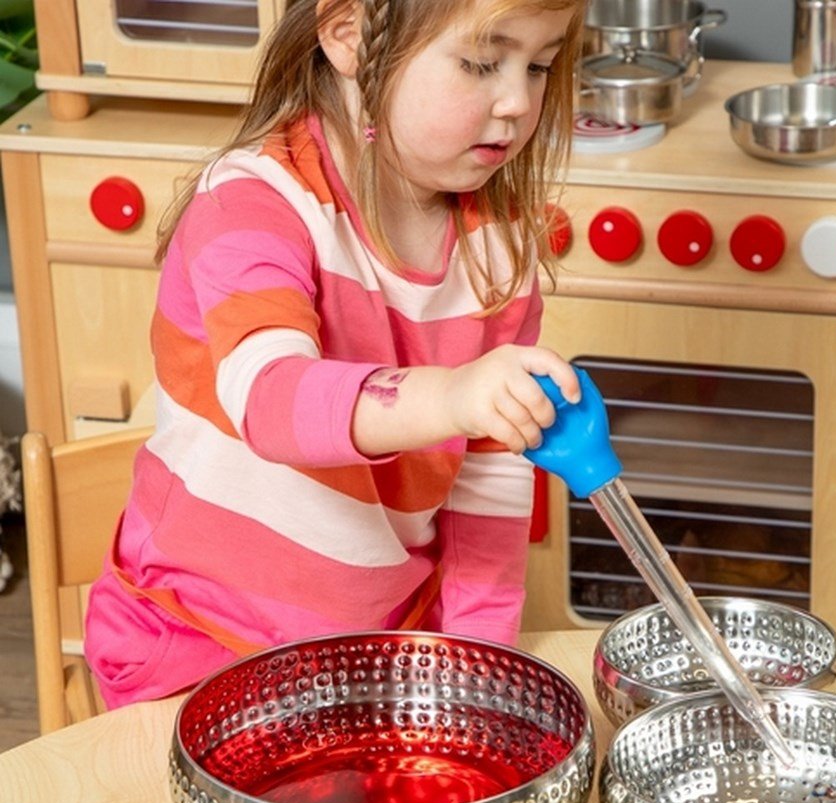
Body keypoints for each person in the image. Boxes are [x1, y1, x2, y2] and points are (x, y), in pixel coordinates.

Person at [83, 0, 588, 708]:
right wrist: (452, 395)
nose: (516, 101)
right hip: (197, 650)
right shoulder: (253, 205)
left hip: (373, 647)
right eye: (480, 62)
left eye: (539, 66)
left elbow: (487, 482)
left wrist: (478, 663)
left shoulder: (495, 248)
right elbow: (273, 401)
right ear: (348, 34)